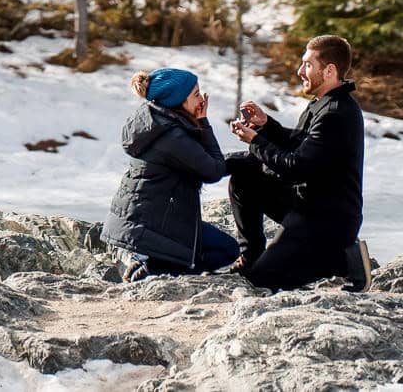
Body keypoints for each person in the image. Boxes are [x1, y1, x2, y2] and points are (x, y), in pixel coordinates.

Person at [226, 34, 371, 292]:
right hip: (305, 204)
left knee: (261, 282)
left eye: (307, 65)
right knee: (245, 176)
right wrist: (266, 125)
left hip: (326, 220)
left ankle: (344, 260)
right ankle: (251, 254)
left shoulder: (336, 113)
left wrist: (255, 141)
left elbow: (296, 168)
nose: (300, 70)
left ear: (329, 71)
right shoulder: (321, 104)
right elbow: (298, 143)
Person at [101, 67, 241, 280]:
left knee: (208, 247)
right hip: (152, 225)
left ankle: (149, 261)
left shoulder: (154, 119)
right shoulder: (171, 136)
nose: (201, 100)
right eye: (195, 95)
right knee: (227, 250)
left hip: (143, 220)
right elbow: (214, 170)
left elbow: (204, 161)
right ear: (178, 101)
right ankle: (154, 270)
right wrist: (203, 123)